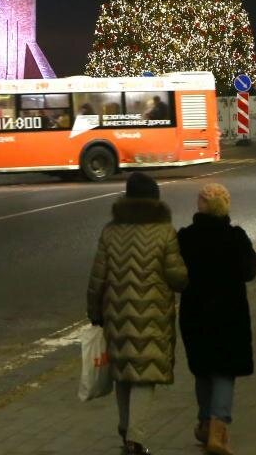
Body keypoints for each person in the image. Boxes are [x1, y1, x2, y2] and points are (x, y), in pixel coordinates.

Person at [86, 172, 188, 455]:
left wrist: (95, 312)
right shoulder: (164, 232)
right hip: (153, 316)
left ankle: (125, 429)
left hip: (116, 314)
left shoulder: (110, 232)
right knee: (145, 373)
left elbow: (97, 277)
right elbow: (178, 277)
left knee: (124, 372)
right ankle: (135, 438)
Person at [177, 184, 256, 455]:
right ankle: (217, 430)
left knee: (202, 369)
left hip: (195, 313)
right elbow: (250, 271)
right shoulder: (236, 237)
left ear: (202, 205)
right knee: (224, 372)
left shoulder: (186, 237)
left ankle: (204, 424)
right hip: (229, 315)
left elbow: (176, 274)